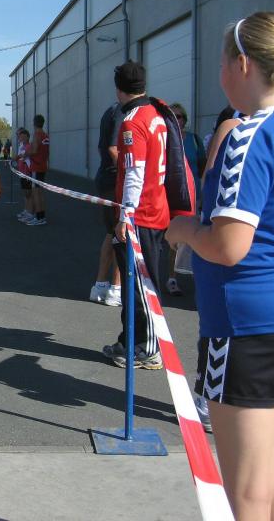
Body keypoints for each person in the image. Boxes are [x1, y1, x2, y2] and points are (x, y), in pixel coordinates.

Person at [167, 11, 274, 519]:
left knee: (245, 493)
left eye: (222, 63)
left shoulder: (249, 136)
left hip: (246, 328)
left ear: (243, 64)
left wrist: (182, 230)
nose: (220, 74)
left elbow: (227, 245)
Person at [101, 61, 168, 370]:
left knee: (141, 286)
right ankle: (131, 340)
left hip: (142, 215)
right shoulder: (156, 114)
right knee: (135, 285)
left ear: (119, 89)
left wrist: (125, 216)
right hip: (153, 209)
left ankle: (148, 347)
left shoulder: (133, 122)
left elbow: (134, 173)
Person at [165, 102, 206, 296]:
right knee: (173, 237)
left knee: (194, 235)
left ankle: (195, 276)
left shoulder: (194, 140)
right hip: (171, 196)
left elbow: (204, 168)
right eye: (172, 116)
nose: (176, 119)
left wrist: (204, 195)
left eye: (179, 116)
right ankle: (171, 278)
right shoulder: (164, 139)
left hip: (193, 195)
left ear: (184, 119)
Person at [89, 102, 123, 306]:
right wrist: (130, 174)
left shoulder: (112, 111)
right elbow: (113, 147)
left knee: (112, 233)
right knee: (122, 233)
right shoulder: (120, 112)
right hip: (115, 181)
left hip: (108, 179)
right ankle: (116, 289)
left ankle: (100, 286)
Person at [26, 114, 50, 226]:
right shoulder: (45, 135)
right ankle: (41, 217)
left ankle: (39, 217)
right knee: (40, 193)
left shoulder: (37, 135)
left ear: (34, 123)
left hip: (36, 167)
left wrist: (26, 154)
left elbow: (34, 150)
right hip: (43, 166)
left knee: (36, 193)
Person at [14, 128, 35, 224]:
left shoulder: (29, 146)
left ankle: (31, 213)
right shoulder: (21, 146)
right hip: (22, 173)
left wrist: (18, 157)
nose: (20, 138)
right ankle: (27, 210)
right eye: (19, 136)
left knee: (29, 193)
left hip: (27, 173)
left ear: (27, 137)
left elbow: (23, 156)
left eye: (22, 136)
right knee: (25, 193)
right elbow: (18, 157)